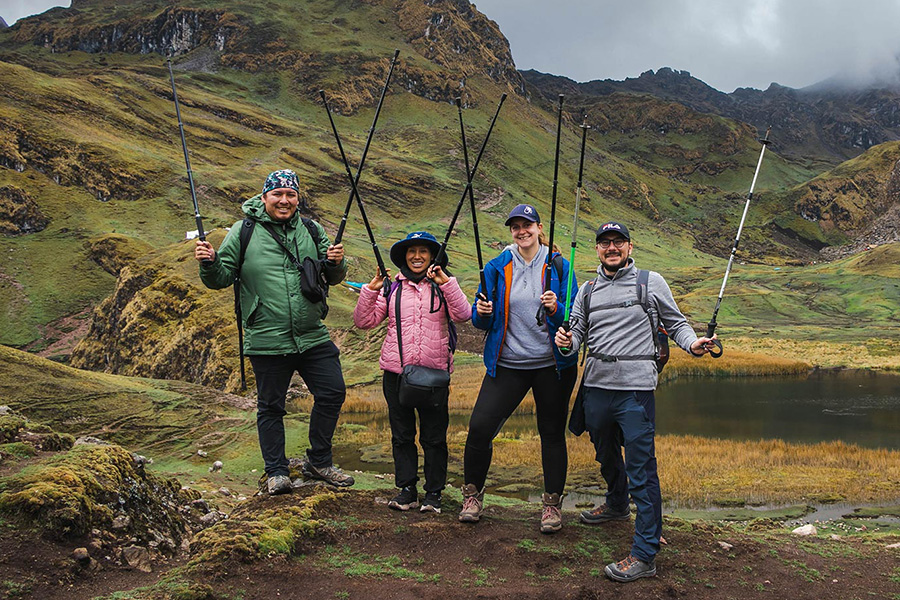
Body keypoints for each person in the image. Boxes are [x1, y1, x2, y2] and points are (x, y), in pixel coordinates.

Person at [555, 221, 717, 582]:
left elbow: (676, 323)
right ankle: (617, 503)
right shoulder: (586, 290)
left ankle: (645, 553)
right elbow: (576, 333)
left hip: (635, 391)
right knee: (604, 450)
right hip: (596, 387)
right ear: (597, 249)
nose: (611, 248)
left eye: (618, 242)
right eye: (605, 243)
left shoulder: (650, 282)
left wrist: (692, 344)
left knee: (641, 468)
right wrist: (566, 342)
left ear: (630, 246)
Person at [194, 169, 355, 495]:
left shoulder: (311, 230)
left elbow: (333, 276)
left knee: (333, 392)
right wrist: (210, 262)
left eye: (290, 194)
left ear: (297, 198)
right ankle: (276, 472)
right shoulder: (243, 231)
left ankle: (319, 462)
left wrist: (336, 263)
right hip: (267, 337)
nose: (284, 200)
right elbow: (220, 278)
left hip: (312, 333)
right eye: (277, 194)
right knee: (271, 407)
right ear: (264, 197)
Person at [459, 204, 579, 533]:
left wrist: (555, 309)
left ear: (539, 228)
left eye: (527, 225)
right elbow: (480, 319)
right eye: (516, 226)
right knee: (479, 428)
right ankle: (472, 496)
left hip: (552, 366)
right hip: (508, 363)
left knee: (551, 434)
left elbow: (573, 315)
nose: (521, 231)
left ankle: (552, 506)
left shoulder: (560, 266)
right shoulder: (497, 266)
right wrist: (482, 312)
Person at [353, 232, 471, 514]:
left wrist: (447, 283)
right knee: (402, 435)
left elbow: (464, 315)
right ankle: (407, 490)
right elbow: (364, 321)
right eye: (411, 251)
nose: (417, 256)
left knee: (434, 437)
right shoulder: (393, 288)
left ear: (432, 257)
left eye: (423, 251)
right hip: (396, 374)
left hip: (434, 376)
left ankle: (434, 493)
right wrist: (371, 290)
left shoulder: (442, 286)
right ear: (404, 257)